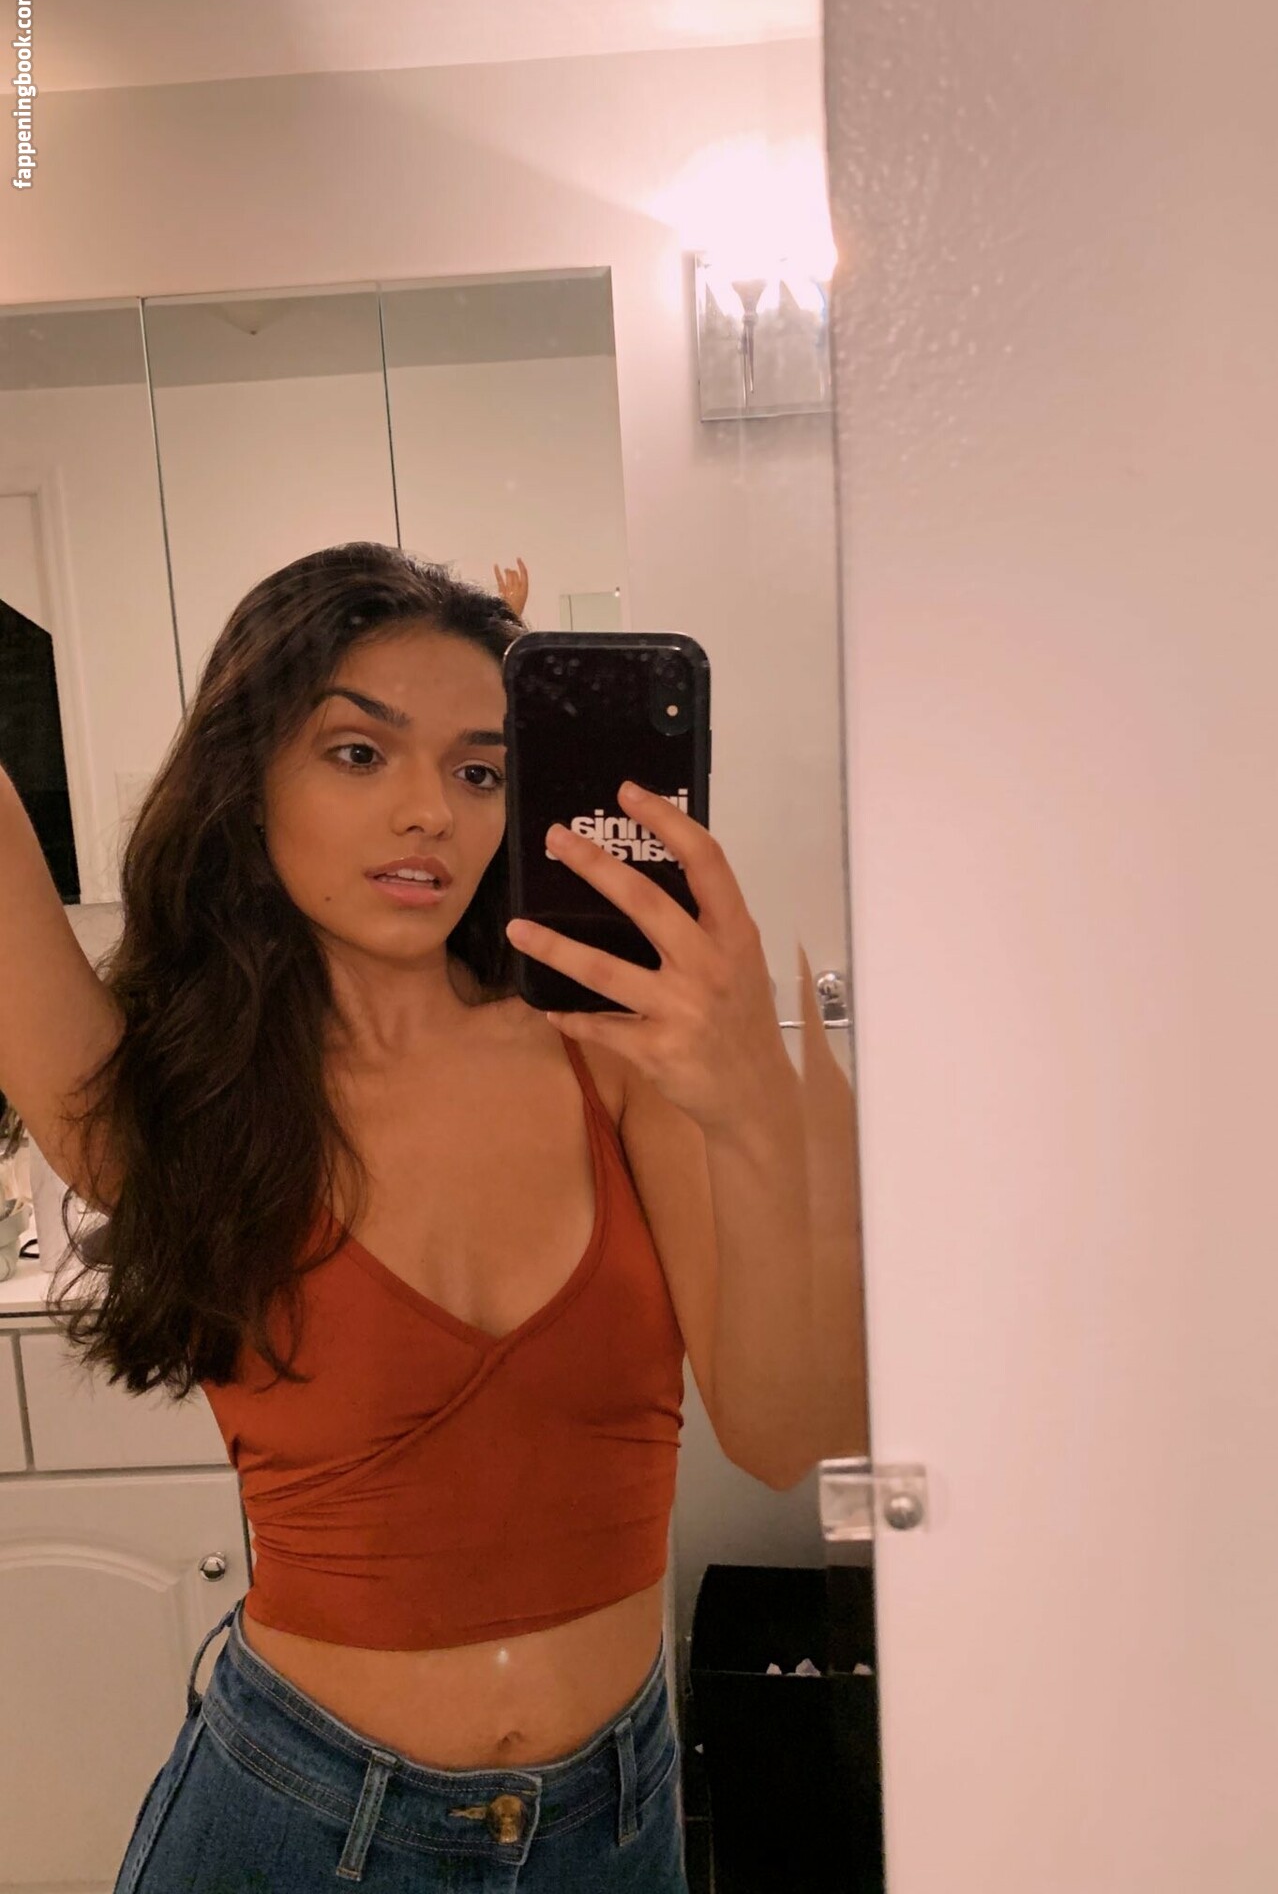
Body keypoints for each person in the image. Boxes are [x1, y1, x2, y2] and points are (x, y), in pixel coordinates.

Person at [0, 540, 836, 1891]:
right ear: (248, 781)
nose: (429, 812)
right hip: (296, 1822)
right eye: (358, 753)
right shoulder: (183, 1106)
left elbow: (784, 1436)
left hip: (615, 1824)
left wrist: (750, 1105)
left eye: (478, 769)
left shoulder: (611, 1056)